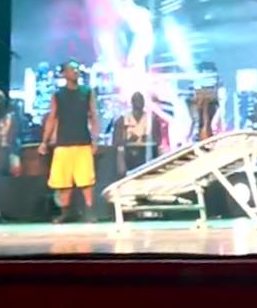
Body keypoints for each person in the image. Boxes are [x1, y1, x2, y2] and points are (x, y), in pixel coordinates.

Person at [37, 62, 98, 222]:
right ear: (64, 73)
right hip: (63, 142)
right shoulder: (58, 95)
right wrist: (44, 141)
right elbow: (52, 117)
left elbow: (93, 115)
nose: (75, 71)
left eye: (77, 69)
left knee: (86, 180)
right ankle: (65, 212)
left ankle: (89, 211)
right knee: (63, 181)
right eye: (72, 69)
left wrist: (95, 140)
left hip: (82, 142)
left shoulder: (87, 92)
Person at [113, 91, 168, 174]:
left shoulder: (151, 119)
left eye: (141, 100)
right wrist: (129, 140)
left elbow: (158, 140)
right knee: (120, 150)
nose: (139, 103)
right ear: (132, 103)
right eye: (136, 100)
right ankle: (123, 174)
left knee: (161, 151)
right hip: (129, 152)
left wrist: (148, 138)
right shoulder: (122, 119)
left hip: (147, 150)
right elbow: (116, 142)